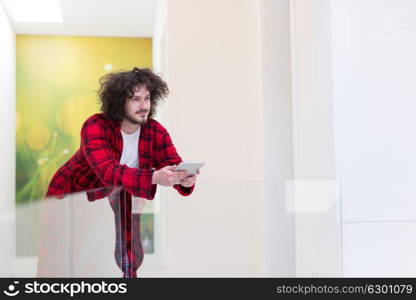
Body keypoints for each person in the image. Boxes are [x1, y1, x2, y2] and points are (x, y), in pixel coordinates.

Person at [45, 67, 199, 277]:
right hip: (71, 195)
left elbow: (173, 164)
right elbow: (108, 171)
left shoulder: (155, 131)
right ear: (119, 102)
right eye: (136, 99)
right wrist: (154, 177)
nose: (144, 106)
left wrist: (185, 179)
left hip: (120, 195)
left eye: (147, 98)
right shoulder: (95, 126)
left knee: (130, 251)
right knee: (65, 260)